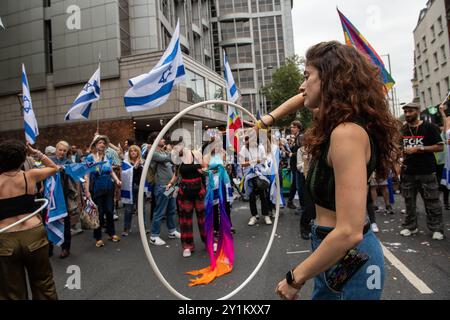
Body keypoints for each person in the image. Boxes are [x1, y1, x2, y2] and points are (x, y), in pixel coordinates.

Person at [258, 41, 400, 300]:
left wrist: (295, 278)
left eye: (306, 76)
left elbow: (350, 231)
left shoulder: (346, 134)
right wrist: (266, 120)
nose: (301, 87)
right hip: (330, 248)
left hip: (348, 252)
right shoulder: (336, 124)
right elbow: (302, 98)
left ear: (331, 80)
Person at [0, 140, 59, 299]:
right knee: (43, 283)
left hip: (6, 238)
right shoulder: (30, 175)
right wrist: (36, 153)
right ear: (22, 159)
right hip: (33, 234)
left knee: (12, 290)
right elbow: (55, 168)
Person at [399, 101, 445, 240]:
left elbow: (440, 147)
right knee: (409, 202)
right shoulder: (403, 130)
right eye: (406, 112)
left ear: (417, 111)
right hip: (408, 172)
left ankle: (437, 229)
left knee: (432, 201)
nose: (407, 114)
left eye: (410, 111)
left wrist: (420, 148)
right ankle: (410, 227)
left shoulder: (429, 127)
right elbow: (399, 147)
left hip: (427, 171)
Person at [84, 135, 122, 247]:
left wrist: (117, 180)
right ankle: (98, 237)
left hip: (108, 187)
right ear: (95, 145)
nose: (102, 144)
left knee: (110, 211)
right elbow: (87, 175)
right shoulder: (90, 158)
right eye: (100, 142)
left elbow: (111, 171)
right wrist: (86, 191)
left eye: (103, 143)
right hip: (96, 189)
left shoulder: (107, 158)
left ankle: (111, 233)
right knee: (99, 214)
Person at [167, 147, 206, 257]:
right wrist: (170, 184)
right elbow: (176, 173)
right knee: (185, 221)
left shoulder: (196, 154)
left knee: (203, 218)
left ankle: (209, 241)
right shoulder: (178, 159)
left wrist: (204, 171)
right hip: (185, 191)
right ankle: (187, 246)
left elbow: (204, 168)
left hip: (199, 190)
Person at [147, 132, 180, 245]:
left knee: (171, 208)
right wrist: (174, 151)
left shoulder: (163, 151)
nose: (164, 140)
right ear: (155, 140)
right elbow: (168, 158)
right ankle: (154, 236)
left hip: (170, 185)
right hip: (162, 186)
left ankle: (172, 230)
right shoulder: (153, 152)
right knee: (160, 211)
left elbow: (172, 160)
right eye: (161, 138)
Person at [49, 140, 79, 258]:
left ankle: (65, 248)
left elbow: (74, 178)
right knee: (49, 221)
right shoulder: (49, 160)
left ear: (67, 152)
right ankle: (49, 248)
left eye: (64, 151)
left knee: (66, 223)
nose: (62, 152)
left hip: (64, 196)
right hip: (50, 197)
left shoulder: (68, 162)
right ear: (56, 149)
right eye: (60, 150)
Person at [240, 135, 272, 226]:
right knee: (251, 196)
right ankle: (254, 215)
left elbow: (264, 159)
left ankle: (266, 215)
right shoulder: (244, 149)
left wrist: (264, 166)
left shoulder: (260, 147)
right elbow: (242, 164)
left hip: (260, 173)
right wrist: (253, 161)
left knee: (263, 194)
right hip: (249, 175)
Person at [120, 145, 148, 236]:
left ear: (138, 152)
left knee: (142, 209)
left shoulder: (142, 162)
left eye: (135, 151)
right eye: (131, 151)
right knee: (128, 209)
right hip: (129, 188)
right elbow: (123, 174)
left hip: (140, 187)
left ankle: (143, 228)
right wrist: (133, 167)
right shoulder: (125, 162)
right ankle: (127, 228)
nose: (133, 152)